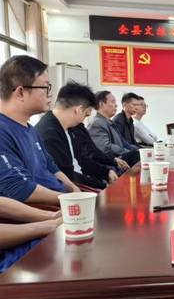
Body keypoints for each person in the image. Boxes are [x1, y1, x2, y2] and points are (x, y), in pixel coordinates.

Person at [0, 55, 80, 205]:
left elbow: (50, 166)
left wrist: (74, 189)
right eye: (45, 87)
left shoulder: (30, 129)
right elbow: (19, 188)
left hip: (60, 201)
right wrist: (68, 200)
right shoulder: (3, 132)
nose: (49, 94)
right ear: (21, 92)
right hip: (44, 209)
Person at [35, 82, 117, 190]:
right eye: (86, 114)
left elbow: (81, 160)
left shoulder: (69, 127)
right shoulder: (49, 133)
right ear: (78, 110)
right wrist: (101, 185)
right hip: (69, 189)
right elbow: (66, 176)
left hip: (78, 182)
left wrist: (106, 172)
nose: (84, 118)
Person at [88, 91, 140, 167]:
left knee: (141, 154)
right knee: (138, 156)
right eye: (112, 102)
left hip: (119, 157)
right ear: (101, 104)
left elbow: (123, 142)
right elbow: (106, 147)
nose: (116, 105)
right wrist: (127, 152)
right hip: (111, 162)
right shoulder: (97, 123)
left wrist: (137, 150)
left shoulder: (109, 122)